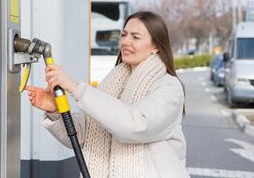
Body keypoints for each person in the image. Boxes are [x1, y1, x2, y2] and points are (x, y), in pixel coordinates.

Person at [25, 11, 190, 178]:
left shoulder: (169, 87)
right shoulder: (112, 84)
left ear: (155, 46)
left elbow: (135, 125)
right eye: (124, 35)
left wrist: (76, 88)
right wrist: (55, 112)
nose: (126, 41)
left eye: (135, 37)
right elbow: (81, 134)